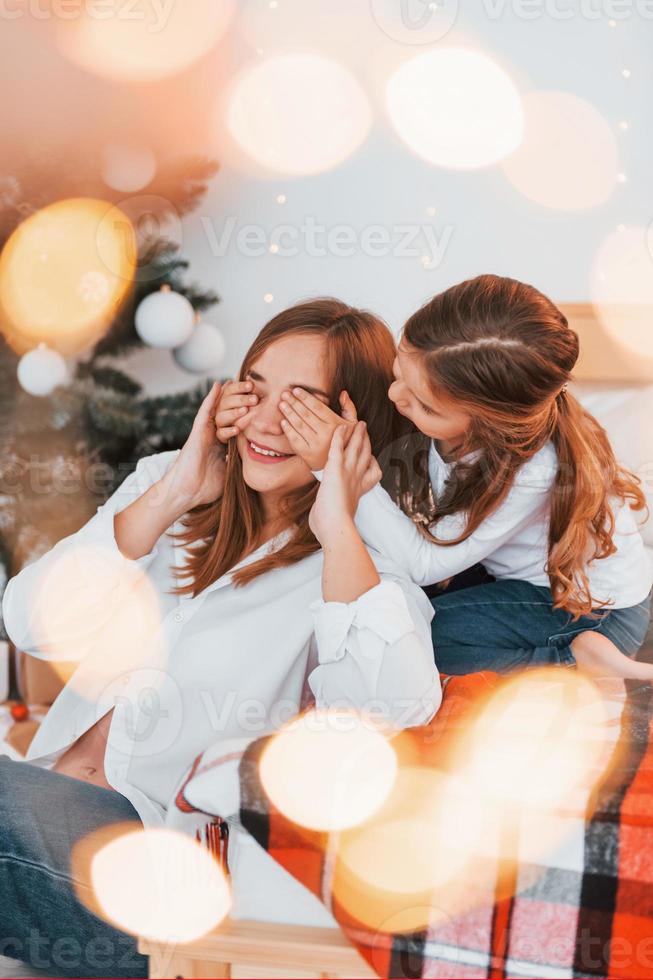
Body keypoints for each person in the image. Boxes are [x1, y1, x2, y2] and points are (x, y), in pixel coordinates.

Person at [1, 298, 441, 978]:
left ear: (356, 429)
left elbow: (389, 714)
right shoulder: (167, 492)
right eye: (254, 389)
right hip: (37, 809)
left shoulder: (360, 573)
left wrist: (338, 522)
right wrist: (177, 489)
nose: (265, 421)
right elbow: (29, 623)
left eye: (302, 405)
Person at [268, 277, 652, 678]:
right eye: (399, 371)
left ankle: (575, 664)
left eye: (424, 407)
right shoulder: (440, 385)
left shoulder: (531, 469)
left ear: (489, 425)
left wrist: (336, 465)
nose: (395, 396)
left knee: (416, 640)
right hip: (507, 571)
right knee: (392, 599)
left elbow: (424, 562)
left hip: (597, 611)